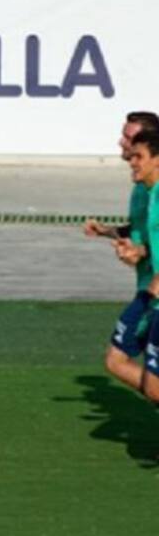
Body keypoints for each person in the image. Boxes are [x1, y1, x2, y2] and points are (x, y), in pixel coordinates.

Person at [83, 111, 159, 393]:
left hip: (153, 293)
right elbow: (144, 233)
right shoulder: (145, 189)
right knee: (118, 362)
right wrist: (110, 233)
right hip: (148, 290)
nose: (122, 144)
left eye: (130, 140)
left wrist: (141, 254)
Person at [104, 129, 159, 403]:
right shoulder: (150, 194)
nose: (131, 161)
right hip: (151, 297)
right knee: (119, 362)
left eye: (139, 156)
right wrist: (138, 251)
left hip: (152, 296)